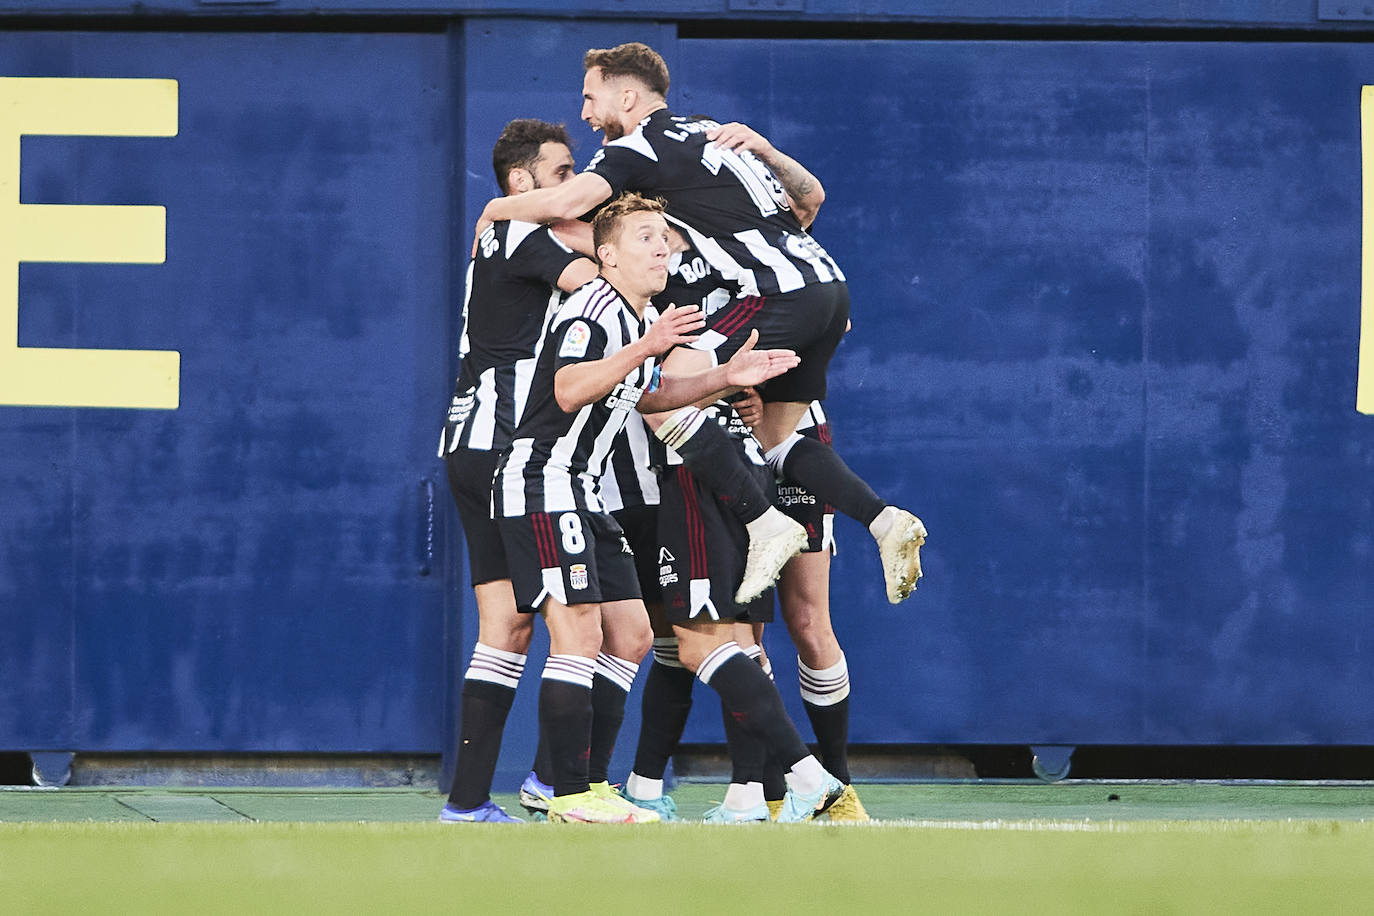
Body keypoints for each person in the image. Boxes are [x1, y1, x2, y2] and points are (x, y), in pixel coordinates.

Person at [474, 42, 927, 608]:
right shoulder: (712, 131)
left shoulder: (641, 145)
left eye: (592, 97)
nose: (587, 114)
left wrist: (494, 210)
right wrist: (765, 146)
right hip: (828, 285)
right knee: (779, 437)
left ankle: (766, 523)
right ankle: (884, 520)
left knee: (661, 395)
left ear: (628, 94)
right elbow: (810, 201)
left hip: (770, 290)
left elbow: (567, 202)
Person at [491, 191, 799, 823]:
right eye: (644, 238)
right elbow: (570, 387)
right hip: (543, 484)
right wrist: (647, 344)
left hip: (584, 490)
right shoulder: (594, 306)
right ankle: (567, 793)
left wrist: (725, 377)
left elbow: (650, 397)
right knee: (576, 637)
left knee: (631, 635)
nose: (661, 247)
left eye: (665, 237)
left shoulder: (638, 318)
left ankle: (592, 785)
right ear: (606, 255)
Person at [437, 119, 599, 824]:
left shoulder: (504, 232)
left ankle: (467, 803)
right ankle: (567, 792)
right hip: (509, 451)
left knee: (505, 625)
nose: (576, 185)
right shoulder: (515, 230)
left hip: (469, 445)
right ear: (520, 182)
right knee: (578, 621)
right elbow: (596, 277)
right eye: (563, 172)